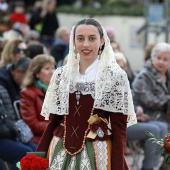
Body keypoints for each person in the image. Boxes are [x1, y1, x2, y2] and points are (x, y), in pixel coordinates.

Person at [25, 18, 138, 170]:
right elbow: (54, 122)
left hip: (98, 153)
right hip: (59, 150)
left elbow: (119, 129)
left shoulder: (115, 77)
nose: (85, 44)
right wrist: (37, 157)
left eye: (92, 38)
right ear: (73, 41)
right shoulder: (61, 75)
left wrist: (117, 166)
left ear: (102, 41)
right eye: (80, 38)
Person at [115, 51, 168, 170]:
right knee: (153, 130)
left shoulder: (122, 82)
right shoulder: (108, 85)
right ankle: (148, 167)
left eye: (123, 67)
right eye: (117, 66)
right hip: (116, 125)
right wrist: (135, 109)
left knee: (162, 126)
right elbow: (117, 108)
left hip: (130, 119)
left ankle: (159, 166)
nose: (121, 70)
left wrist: (136, 111)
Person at [20, 54, 55, 144]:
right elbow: (32, 124)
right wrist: (56, 127)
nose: (52, 72)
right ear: (36, 73)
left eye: (53, 68)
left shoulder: (57, 90)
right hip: (41, 138)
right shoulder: (27, 93)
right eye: (47, 69)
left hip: (56, 134)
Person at [0, 84, 37, 170]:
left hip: (10, 134)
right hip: (3, 136)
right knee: (24, 153)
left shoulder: (2, 89)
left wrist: (14, 131)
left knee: (37, 151)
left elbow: (11, 117)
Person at [132, 42, 170, 124]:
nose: (161, 62)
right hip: (146, 115)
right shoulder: (144, 76)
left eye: (165, 59)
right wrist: (168, 99)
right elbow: (149, 101)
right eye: (158, 58)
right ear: (152, 58)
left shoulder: (168, 74)